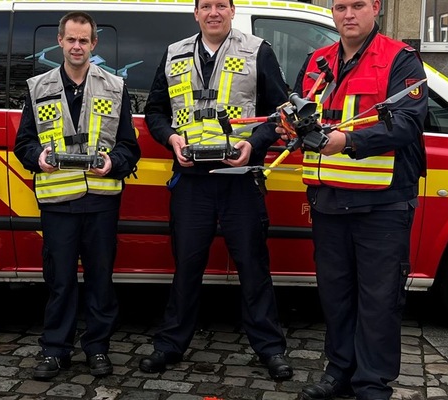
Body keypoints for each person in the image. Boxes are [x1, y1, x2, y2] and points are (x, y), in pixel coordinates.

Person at [139, 0, 293, 381]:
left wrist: (252, 145)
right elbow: (154, 111)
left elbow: (281, 113)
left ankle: (271, 349)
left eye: (220, 5)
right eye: (205, 5)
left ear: (232, 10)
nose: (213, 12)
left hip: (240, 179)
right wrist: (171, 138)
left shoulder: (258, 51)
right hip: (192, 181)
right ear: (195, 13)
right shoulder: (173, 54)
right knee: (186, 268)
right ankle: (170, 344)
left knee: (253, 267)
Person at [283, 0, 427, 399]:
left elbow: (408, 123)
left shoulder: (400, 59)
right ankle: (339, 372)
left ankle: (372, 383)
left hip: (381, 204)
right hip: (328, 199)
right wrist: (288, 126)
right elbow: (299, 112)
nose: (348, 14)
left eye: (358, 5)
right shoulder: (317, 60)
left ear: (375, 8)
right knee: (336, 294)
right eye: (341, 6)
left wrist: (347, 141)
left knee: (380, 300)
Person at [14, 12, 140, 380]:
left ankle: (97, 348)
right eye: (71, 39)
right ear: (59, 41)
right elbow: (24, 143)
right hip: (58, 204)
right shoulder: (38, 87)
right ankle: (55, 350)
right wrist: (37, 158)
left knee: (101, 280)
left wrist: (112, 163)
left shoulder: (115, 87)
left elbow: (129, 147)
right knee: (60, 281)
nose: (76, 46)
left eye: (84, 40)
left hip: (101, 201)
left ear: (94, 44)